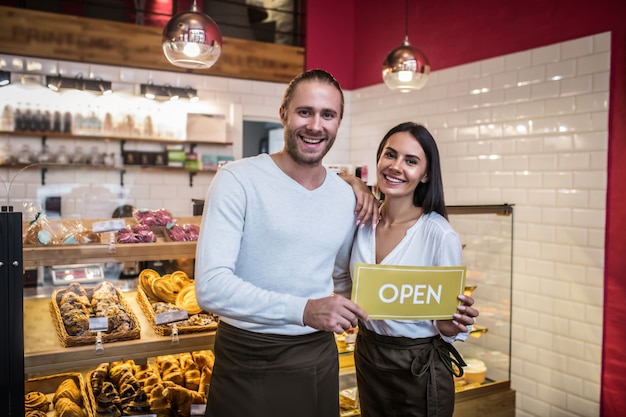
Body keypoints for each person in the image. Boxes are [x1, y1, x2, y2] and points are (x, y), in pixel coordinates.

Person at [194, 69, 374, 417]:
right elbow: (211, 288)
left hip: (318, 357)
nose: (315, 125)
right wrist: (305, 310)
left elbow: (341, 280)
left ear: (339, 122)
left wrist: (434, 313)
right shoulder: (237, 180)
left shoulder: (343, 196)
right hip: (248, 358)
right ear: (283, 115)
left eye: (328, 115)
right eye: (305, 112)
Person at [349, 122, 479, 417]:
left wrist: (450, 326)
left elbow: (447, 323)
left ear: (426, 174)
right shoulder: (361, 222)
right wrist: (354, 182)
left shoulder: (439, 234)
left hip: (418, 368)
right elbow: (324, 181)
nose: (396, 167)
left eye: (411, 161)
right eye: (390, 155)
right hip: (368, 356)